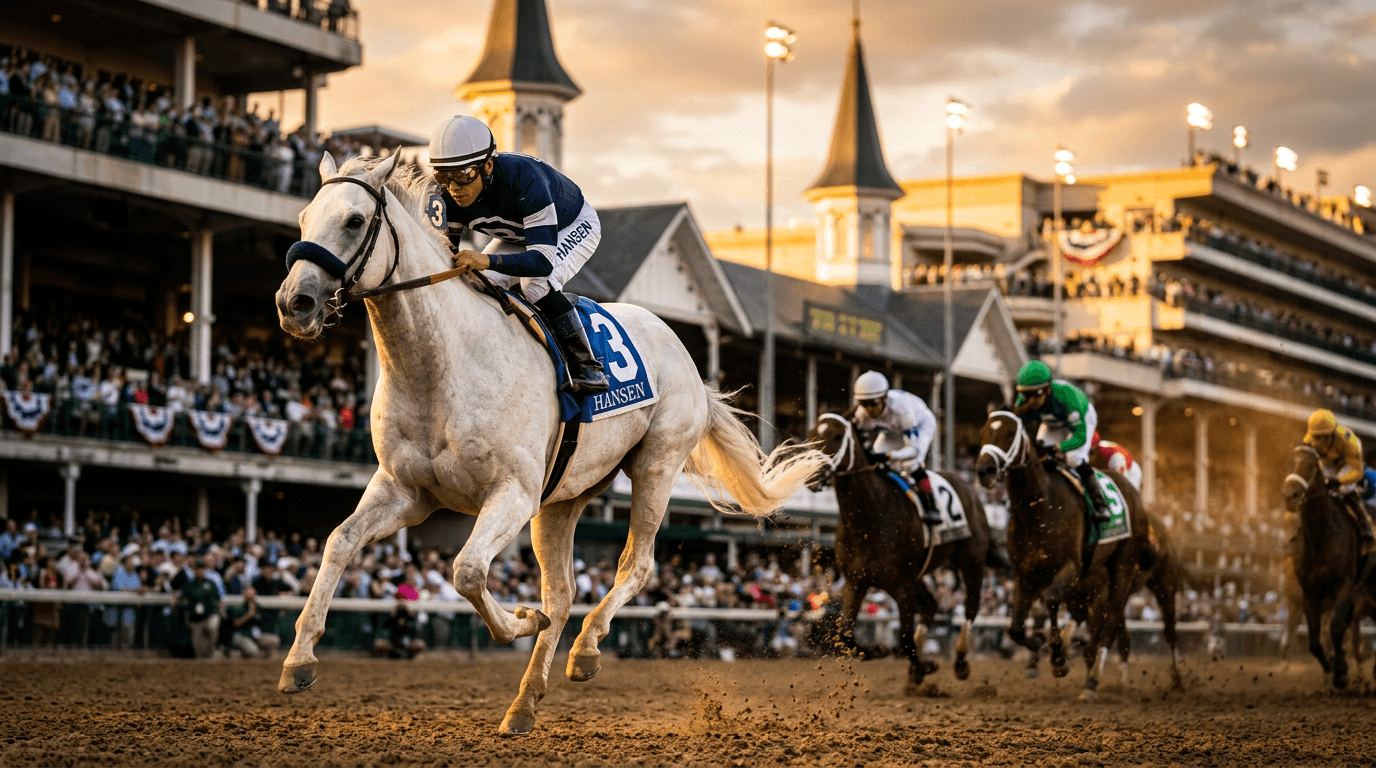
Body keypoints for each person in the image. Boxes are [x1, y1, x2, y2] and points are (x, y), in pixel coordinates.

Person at [429, 115, 609, 394]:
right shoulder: (446, 195)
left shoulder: (525, 179)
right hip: (520, 235)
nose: (454, 187)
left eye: (464, 175)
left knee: (536, 284)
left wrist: (486, 259)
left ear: (488, 165)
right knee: (479, 283)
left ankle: (588, 367)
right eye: (443, 176)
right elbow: (443, 255)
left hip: (571, 225)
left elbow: (541, 261)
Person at [1013, 360, 1111, 521]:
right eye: (1026, 395)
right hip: (1052, 422)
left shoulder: (1067, 397)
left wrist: (1059, 447)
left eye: (1036, 394)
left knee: (1073, 458)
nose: (1031, 401)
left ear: (1047, 389)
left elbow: (1080, 438)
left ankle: (1101, 505)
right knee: (1038, 455)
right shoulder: (1023, 401)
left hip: (1080, 417)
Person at [851, 370, 941, 524]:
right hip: (892, 431)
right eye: (863, 404)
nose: (869, 409)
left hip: (920, 425)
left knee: (911, 464)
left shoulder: (902, 411)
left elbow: (913, 451)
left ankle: (930, 504)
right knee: (874, 464)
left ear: (885, 398)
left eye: (873, 404)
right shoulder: (861, 414)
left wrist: (889, 456)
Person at [1303, 408, 1375, 546]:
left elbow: (1357, 472)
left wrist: (1339, 481)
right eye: (1314, 436)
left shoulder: (1349, 442)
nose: (1315, 443)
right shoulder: (1310, 438)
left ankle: (1364, 523)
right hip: (1329, 461)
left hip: (1348, 463)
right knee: (1323, 486)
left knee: (1345, 489)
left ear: (1330, 434)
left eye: (1320, 437)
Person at [178, 556, 222, 658]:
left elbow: (218, 600)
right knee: (198, 649)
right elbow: (180, 594)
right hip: (195, 619)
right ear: (194, 570)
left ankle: (213, 650)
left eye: (202, 568)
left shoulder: (210, 584)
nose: (200, 571)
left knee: (212, 626)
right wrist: (174, 598)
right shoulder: (189, 585)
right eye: (197, 568)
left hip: (209, 615)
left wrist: (219, 609)